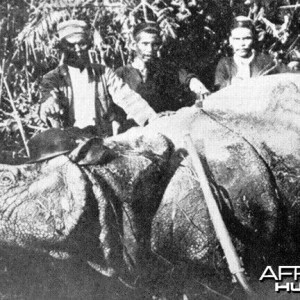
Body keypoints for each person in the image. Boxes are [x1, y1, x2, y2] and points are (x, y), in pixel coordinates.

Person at [39, 20, 158, 137]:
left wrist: (153, 119)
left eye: (82, 44)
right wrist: (49, 103)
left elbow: (127, 97)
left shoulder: (103, 73)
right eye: (71, 45)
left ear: (89, 44)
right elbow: (47, 96)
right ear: (62, 48)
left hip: (101, 138)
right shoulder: (53, 78)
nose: (78, 49)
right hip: (69, 141)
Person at [115, 22, 209, 129]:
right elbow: (116, 114)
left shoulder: (167, 69)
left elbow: (189, 80)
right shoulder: (122, 74)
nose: (150, 49)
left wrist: (195, 83)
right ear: (133, 45)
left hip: (167, 126)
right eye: (145, 44)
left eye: (154, 44)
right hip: (137, 131)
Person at [214, 16, 286, 91]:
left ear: (254, 38)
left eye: (247, 38)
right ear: (230, 40)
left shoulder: (266, 61)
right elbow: (219, 88)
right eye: (237, 39)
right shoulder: (225, 64)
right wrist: (230, 83)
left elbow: (291, 75)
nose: (242, 44)